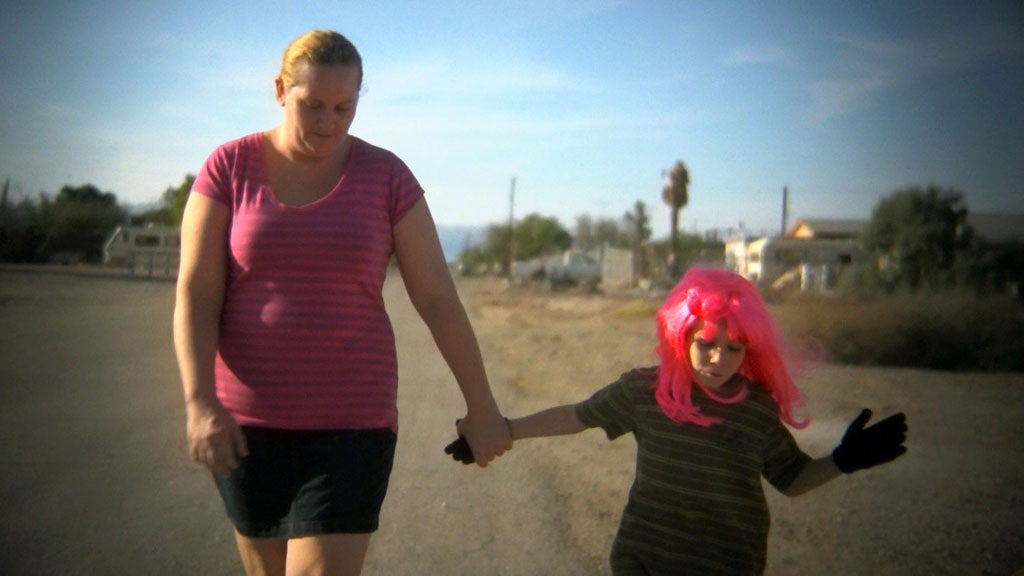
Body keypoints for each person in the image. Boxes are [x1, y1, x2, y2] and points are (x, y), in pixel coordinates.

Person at [173, 29, 512, 576]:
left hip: (352, 422)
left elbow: (436, 298)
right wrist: (199, 403)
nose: (328, 123)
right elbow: (197, 290)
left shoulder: (387, 176)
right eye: (313, 106)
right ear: (280, 91)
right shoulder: (228, 167)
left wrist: (483, 406)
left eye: (344, 108)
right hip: (245, 425)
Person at [446, 266, 908, 575]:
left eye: (734, 348)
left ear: (751, 349)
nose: (718, 358)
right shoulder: (645, 391)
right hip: (642, 561)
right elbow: (577, 416)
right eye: (706, 342)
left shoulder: (756, 410)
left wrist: (845, 460)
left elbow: (791, 479)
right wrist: (502, 430)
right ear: (681, 333)